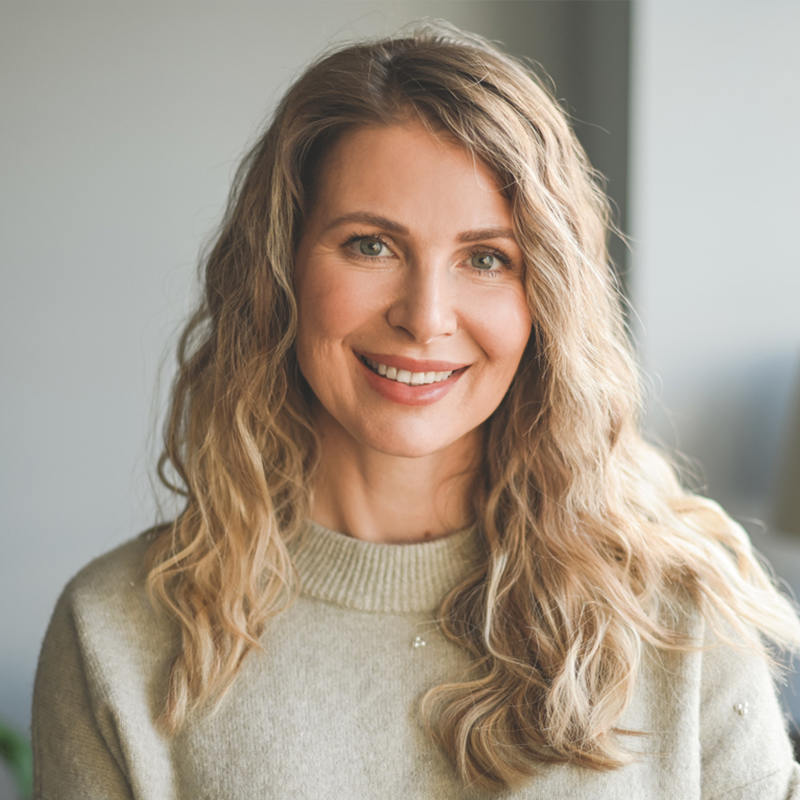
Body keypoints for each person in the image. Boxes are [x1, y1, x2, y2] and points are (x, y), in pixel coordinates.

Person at [32, 23, 800, 799]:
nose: (427, 316)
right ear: (280, 270)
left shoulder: (683, 615)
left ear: (548, 304)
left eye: (487, 258)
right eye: (371, 245)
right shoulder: (115, 635)